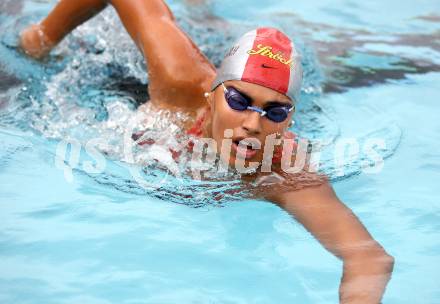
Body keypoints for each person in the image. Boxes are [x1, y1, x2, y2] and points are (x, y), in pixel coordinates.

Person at [19, 0, 394, 302]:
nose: (252, 123)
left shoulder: (285, 174)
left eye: (274, 111)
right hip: (122, 91)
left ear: (289, 122)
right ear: (212, 95)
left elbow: (368, 258)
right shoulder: (181, 81)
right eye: (238, 100)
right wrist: (40, 39)